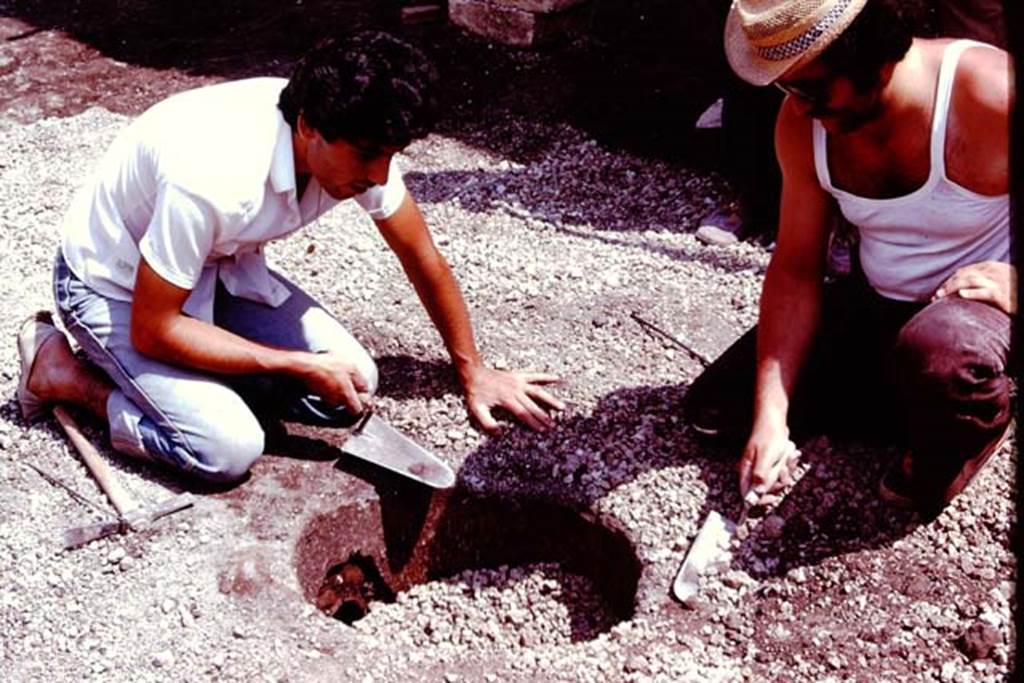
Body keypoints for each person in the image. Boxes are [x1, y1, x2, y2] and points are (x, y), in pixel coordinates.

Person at [17, 31, 563, 483]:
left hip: (211, 268)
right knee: (225, 449)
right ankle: (63, 373)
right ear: (307, 127)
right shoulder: (212, 176)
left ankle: (198, 385)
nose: (378, 176)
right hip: (115, 288)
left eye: (389, 156)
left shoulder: (351, 134)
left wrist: (474, 371)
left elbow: (421, 255)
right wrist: (294, 363)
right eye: (369, 156)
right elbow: (154, 327)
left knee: (352, 383)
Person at [683, 0, 1013, 515]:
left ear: (875, 54)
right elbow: (795, 270)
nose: (801, 106)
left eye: (813, 88)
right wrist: (772, 418)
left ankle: (977, 418)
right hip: (880, 304)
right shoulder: (800, 123)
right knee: (715, 410)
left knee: (939, 359)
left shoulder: (988, 92)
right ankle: (917, 403)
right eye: (786, 87)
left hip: (968, 314)